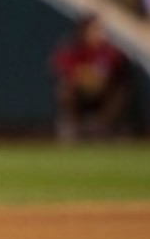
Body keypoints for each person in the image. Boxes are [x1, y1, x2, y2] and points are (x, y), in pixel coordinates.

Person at [49, 14, 132, 143]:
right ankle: (72, 127)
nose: (98, 34)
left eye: (99, 30)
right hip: (80, 94)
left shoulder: (108, 50)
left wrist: (96, 79)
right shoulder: (73, 49)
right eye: (93, 30)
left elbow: (115, 69)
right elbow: (60, 67)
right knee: (64, 89)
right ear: (83, 31)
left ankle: (103, 127)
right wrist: (85, 78)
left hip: (103, 94)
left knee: (120, 92)